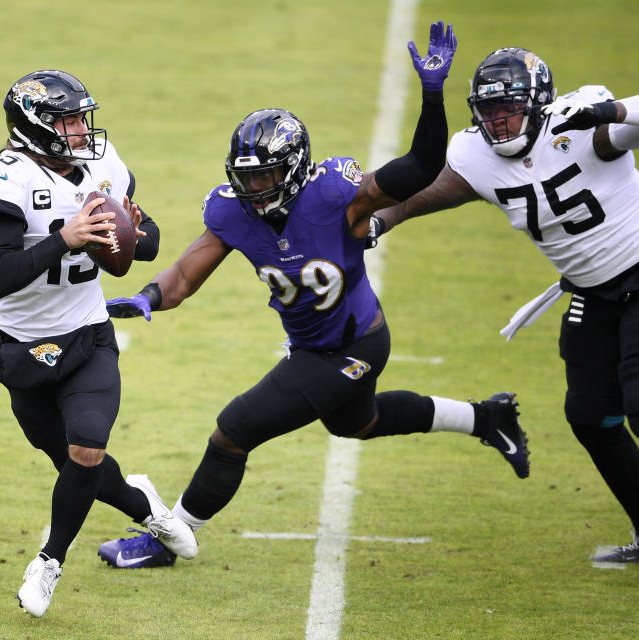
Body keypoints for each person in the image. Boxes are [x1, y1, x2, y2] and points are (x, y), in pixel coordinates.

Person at [96, 22, 528, 568]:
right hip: (314, 345)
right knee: (359, 423)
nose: (254, 190)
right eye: (247, 179)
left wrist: (434, 95)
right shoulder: (231, 212)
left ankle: (168, 538)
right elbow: (183, 274)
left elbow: (420, 168)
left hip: (354, 345)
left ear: (296, 169)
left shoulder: (337, 197)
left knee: (233, 433)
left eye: (266, 177)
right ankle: (487, 418)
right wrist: (147, 298)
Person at [367, 47, 639, 560]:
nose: (498, 120)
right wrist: (381, 220)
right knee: (590, 417)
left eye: (508, 107)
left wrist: (613, 112)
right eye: (488, 111)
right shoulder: (474, 154)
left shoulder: (580, 122)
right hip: (591, 291)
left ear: (537, 104)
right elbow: (437, 189)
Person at [0, 70, 196, 617]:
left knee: (87, 445)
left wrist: (132, 233)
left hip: (89, 336)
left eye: (79, 118)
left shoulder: (101, 162)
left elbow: (148, 241)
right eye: (67, 119)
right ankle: (146, 507)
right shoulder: (6, 176)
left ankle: (48, 562)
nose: (79, 130)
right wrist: (64, 238)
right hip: (24, 348)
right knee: (73, 464)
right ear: (34, 126)